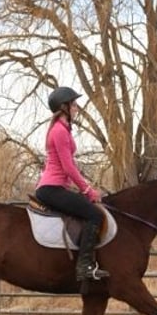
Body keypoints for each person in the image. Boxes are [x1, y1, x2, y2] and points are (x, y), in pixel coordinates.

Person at [35, 86, 110, 281]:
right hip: (51, 189)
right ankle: (84, 266)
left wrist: (83, 188)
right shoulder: (59, 131)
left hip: (56, 187)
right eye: (74, 104)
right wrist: (88, 190)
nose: (77, 108)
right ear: (64, 107)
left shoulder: (62, 130)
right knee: (94, 214)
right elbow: (68, 168)